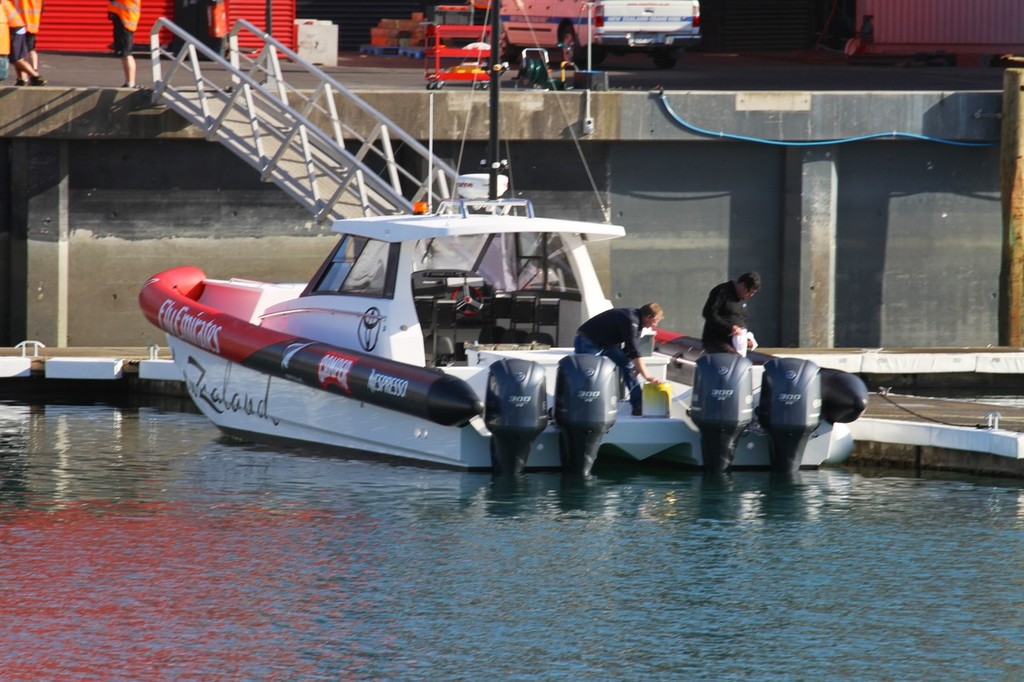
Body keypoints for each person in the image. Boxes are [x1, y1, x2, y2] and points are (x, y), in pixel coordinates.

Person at [575, 302, 664, 416]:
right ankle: (582, 407)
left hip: (607, 344)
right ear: (647, 317)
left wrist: (637, 367)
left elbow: (630, 350)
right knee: (588, 374)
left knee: (629, 367)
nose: (655, 324)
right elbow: (634, 351)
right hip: (587, 340)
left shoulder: (638, 324)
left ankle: (638, 406)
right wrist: (647, 376)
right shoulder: (631, 319)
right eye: (655, 321)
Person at [701, 271, 761, 354]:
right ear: (742, 285)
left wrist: (746, 338)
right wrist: (730, 328)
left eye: (753, 293)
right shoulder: (722, 291)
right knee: (735, 361)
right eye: (749, 291)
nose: (750, 295)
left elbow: (742, 320)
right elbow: (708, 313)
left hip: (736, 342)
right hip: (717, 340)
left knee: (742, 362)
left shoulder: (742, 299)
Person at [2, 0, 44, 85]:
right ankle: (25, 77)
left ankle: (33, 76)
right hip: (29, 25)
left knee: (16, 57)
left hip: (16, 26)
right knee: (24, 53)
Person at [108, 0, 140, 88]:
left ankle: (130, 83)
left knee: (126, 54)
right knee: (124, 54)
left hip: (124, 21)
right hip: (124, 20)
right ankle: (128, 82)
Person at [14, 0, 40, 72]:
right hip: (32, 24)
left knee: (18, 52)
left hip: (18, 24)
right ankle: (34, 71)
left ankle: (22, 78)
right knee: (31, 49)